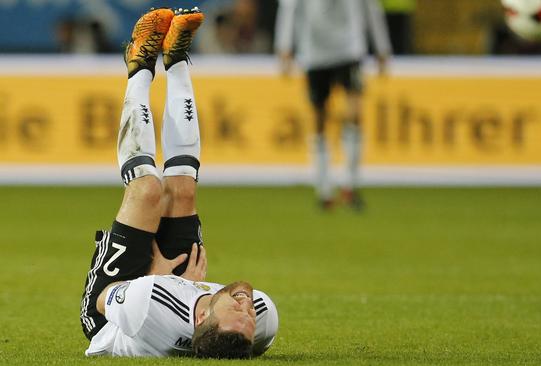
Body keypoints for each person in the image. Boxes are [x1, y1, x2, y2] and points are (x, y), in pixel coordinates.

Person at [79, 7, 278, 358]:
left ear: (202, 316)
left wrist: (158, 280)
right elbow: (247, 329)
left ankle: (140, 64)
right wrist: (186, 286)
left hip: (114, 309)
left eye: (236, 310)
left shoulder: (147, 307)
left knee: (147, 190)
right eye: (248, 316)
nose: (247, 306)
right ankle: (177, 58)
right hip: (174, 290)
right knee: (182, 191)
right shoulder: (263, 317)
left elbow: (102, 300)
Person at [275, 0, 392, 211]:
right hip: (315, 53)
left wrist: (382, 48)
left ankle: (350, 183)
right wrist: (284, 47)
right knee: (319, 119)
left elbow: (371, 7)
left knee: (355, 113)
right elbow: (290, 6)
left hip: (349, 49)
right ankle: (324, 187)